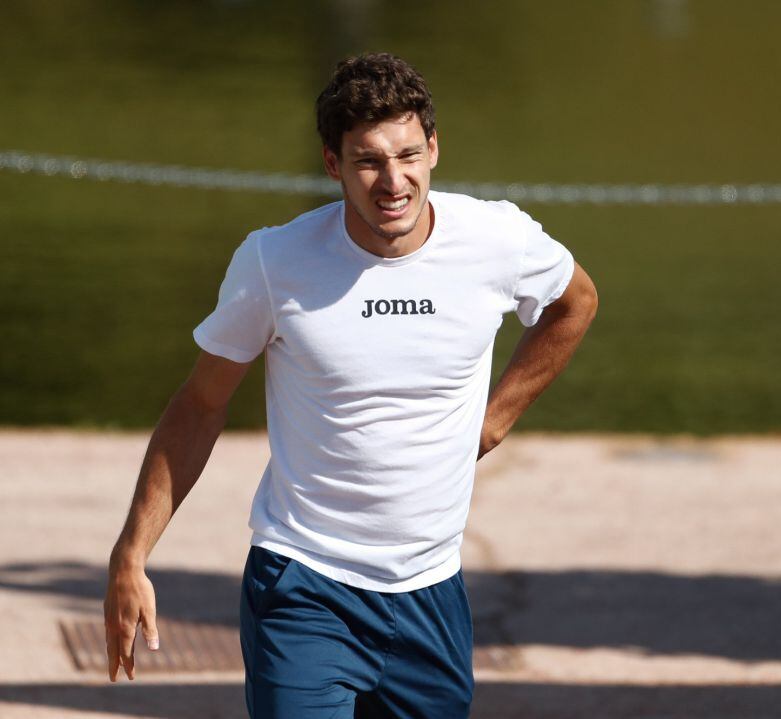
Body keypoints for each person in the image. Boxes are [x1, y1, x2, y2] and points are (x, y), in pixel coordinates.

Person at [102, 52, 598, 717]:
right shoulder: (275, 262)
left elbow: (575, 303)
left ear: (434, 149)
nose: (393, 181)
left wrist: (494, 419)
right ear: (333, 163)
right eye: (368, 160)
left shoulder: (495, 239)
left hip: (431, 592)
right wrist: (130, 555)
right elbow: (200, 405)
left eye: (408, 155)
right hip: (305, 583)